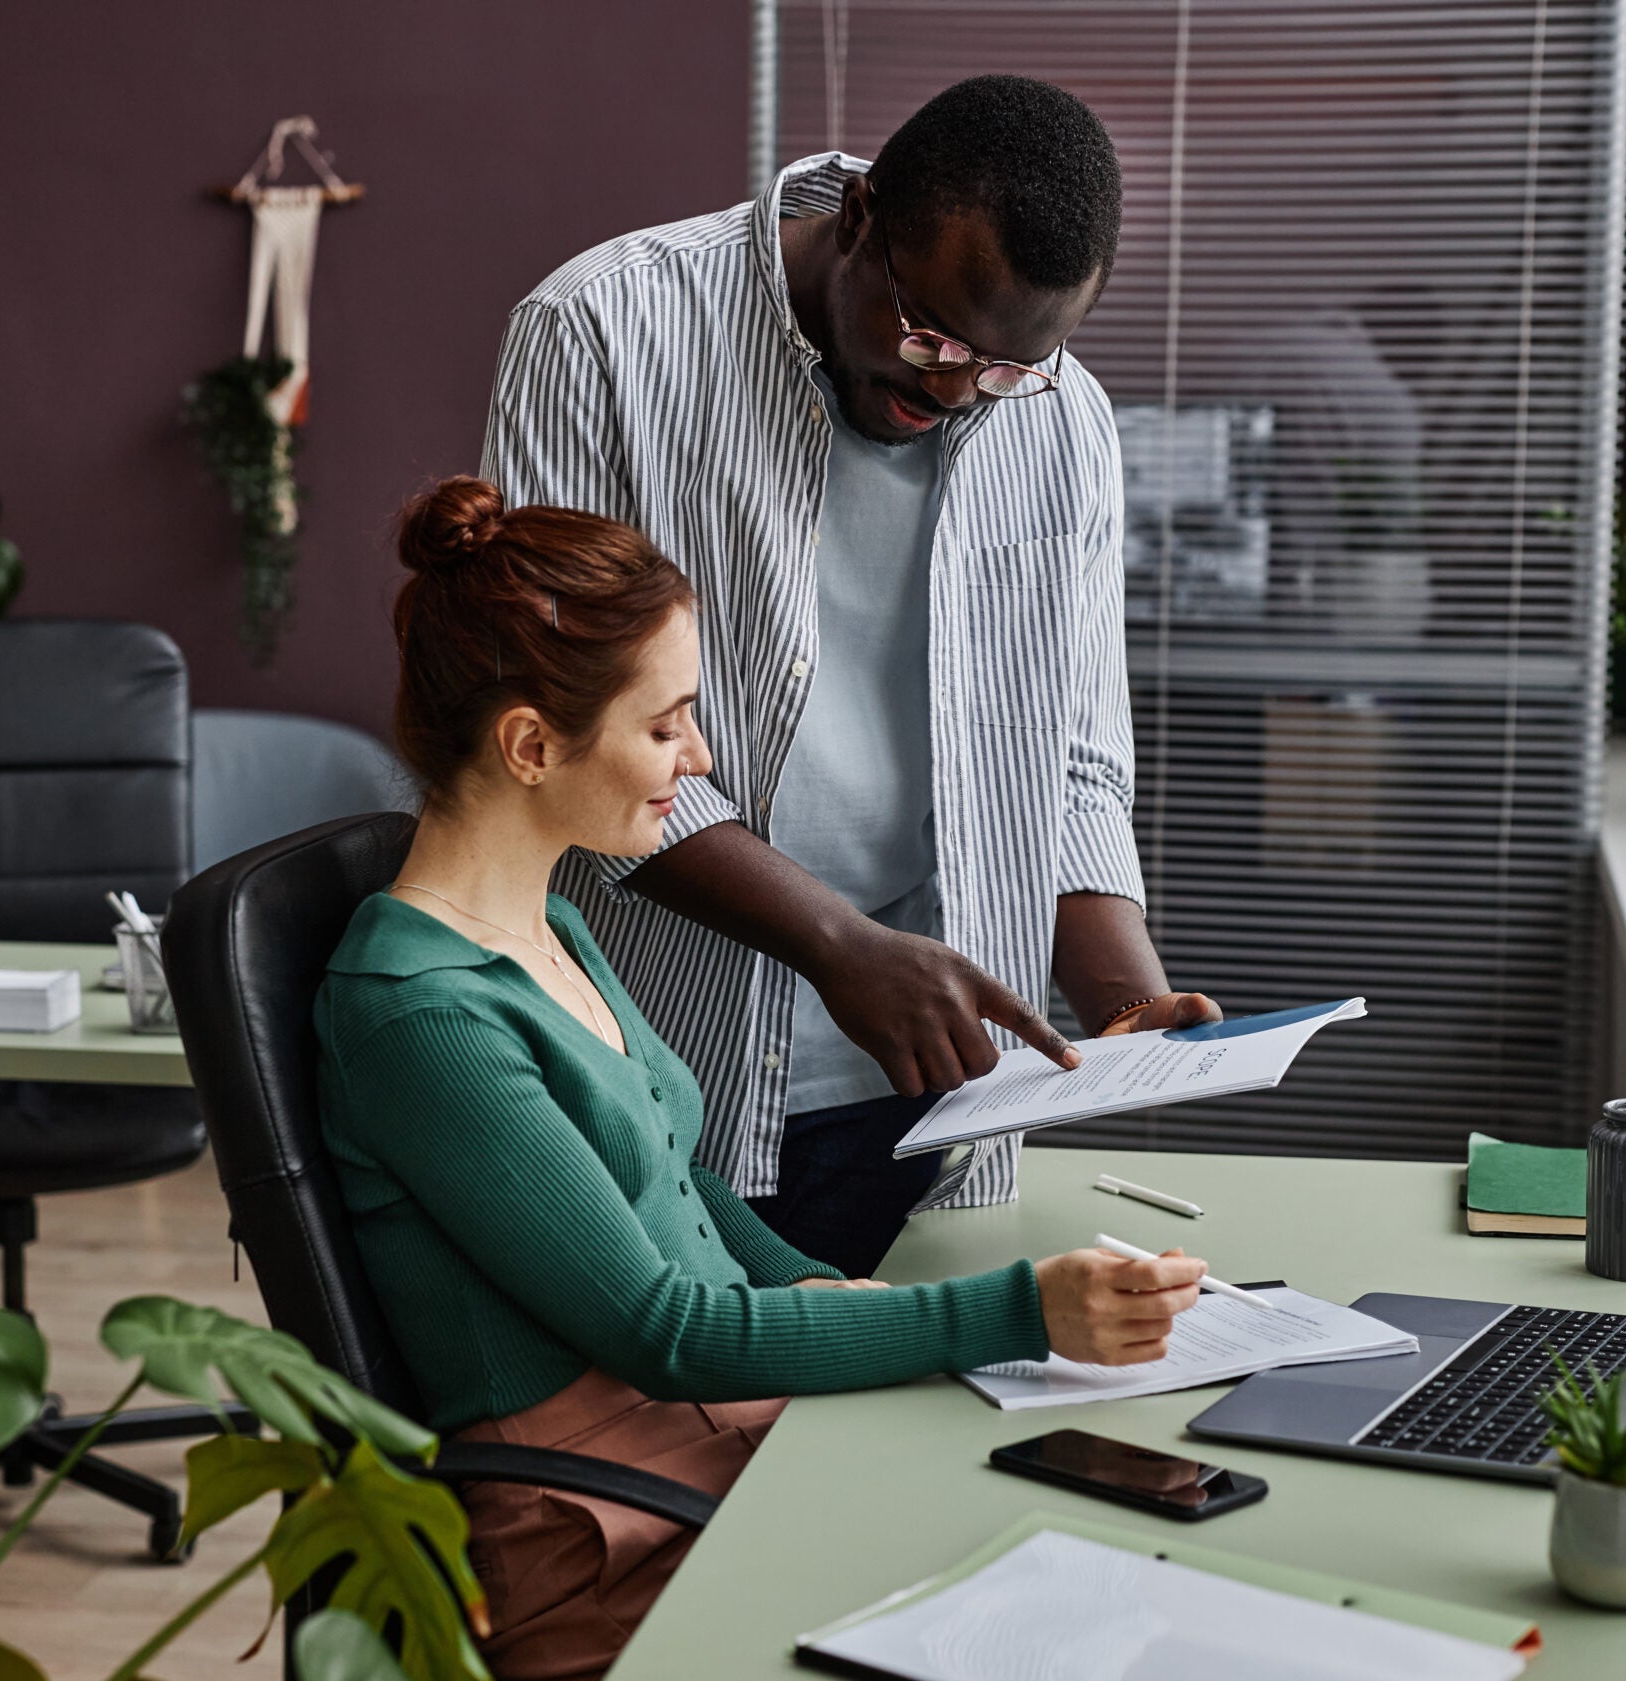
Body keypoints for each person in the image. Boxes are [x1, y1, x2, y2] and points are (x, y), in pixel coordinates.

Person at [315, 477, 1208, 1681]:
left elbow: (682, 1182)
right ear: (531, 746)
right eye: (667, 724)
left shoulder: (554, 928)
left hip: (712, 1439)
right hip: (597, 1536)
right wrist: (1015, 1312)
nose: (700, 758)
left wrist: (815, 1289)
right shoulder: (422, 1016)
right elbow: (665, 1330)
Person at [482, 74, 1219, 1279]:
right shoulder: (606, 331)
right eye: (928, 335)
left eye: (1001, 367)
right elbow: (566, 729)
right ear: (865, 216)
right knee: (690, 1438)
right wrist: (838, 945)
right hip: (660, 1060)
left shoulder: (1062, 419)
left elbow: (1068, 762)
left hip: (942, 1082)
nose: (950, 390)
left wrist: (1127, 1004)